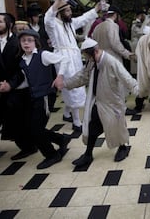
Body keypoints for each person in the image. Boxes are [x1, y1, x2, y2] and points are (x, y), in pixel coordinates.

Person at [55, 38, 138, 167]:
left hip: (112, 102)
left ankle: (122, 148)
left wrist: (140, 91)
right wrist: (65, 84)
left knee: (116, 127)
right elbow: (82, 77)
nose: (87, 59)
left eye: (87, 56)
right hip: (98, 101)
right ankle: (88, 154)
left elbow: (126, 78)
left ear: (95, 51)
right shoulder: (92, 62)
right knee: (92, 126)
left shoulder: (111, 62)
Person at [44, 0, 105, 131]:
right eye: (67, 11)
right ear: (59, 12)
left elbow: (83, 18)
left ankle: (67, 113)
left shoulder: (69, 24)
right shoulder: (53, 25)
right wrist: (57, 1)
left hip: (75, 58)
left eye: (70, 10)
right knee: (71, 88)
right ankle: (77, 122)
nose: (70, 13)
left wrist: (96, 8)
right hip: (63, 60)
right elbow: (48, 18)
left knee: (76, 83)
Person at [16, 29, 71, 169]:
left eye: (29, 40)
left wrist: (60, 76)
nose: (26, 43)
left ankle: (52, 155)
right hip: (33, 97)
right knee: (32, 128)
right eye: (23, 41)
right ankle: (61, 139)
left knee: (36, 129)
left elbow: (64, 59)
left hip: (45, 96)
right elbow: (27, 81)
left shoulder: (43, 55)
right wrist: (10, 87)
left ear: (36, 42)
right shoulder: (22, 61)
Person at [0, 13, 37, 160]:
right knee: (11, 121)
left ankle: (29, 146)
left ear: (8, 25)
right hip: (3, 88)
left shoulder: (16, 43)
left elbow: (22, 69)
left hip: (20, 88)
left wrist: (10, 84)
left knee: (21, 121)